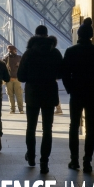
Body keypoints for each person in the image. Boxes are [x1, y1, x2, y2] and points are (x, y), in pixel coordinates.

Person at [62, 17, 94, 173]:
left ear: (78, 35)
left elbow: (65, 74)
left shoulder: (71, 51)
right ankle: (87, 161)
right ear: (91, 35)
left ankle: (74, 159)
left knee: (74, 126)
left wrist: (69, 88)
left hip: (76, 92)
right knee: (90, 128)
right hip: (91, 93)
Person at [17, 27, 62, 174]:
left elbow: (21, 77)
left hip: (33, 94)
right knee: (47, 130)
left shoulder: (29, 53)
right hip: (49, 93)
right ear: (47, 35)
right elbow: (61, 73)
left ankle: (31, 156)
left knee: (31, 127)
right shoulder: (54, 52)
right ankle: (44, 162)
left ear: (35, 34)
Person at [2, 45, 24, 114]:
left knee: (17, 95)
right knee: (12, 95)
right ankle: (14, 109)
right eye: (14, 50)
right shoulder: (6, 58)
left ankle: (18, 109)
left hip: (15, 79)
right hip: (11, 79)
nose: (15, 51)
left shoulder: (19, 58)